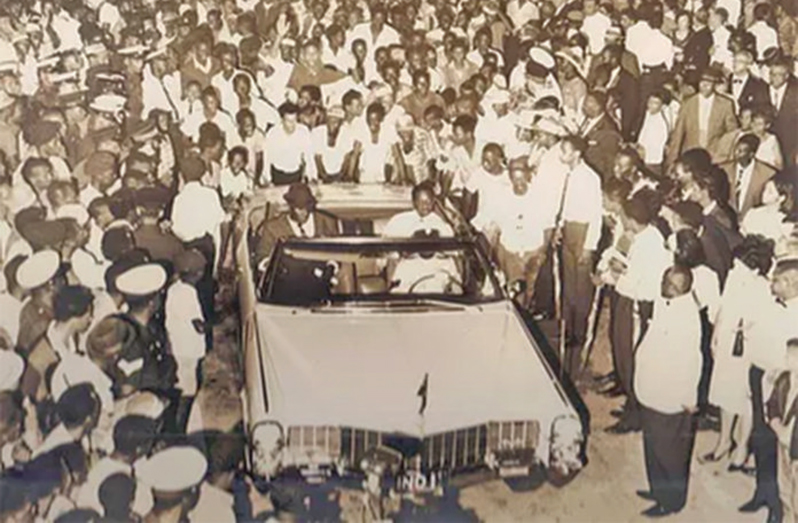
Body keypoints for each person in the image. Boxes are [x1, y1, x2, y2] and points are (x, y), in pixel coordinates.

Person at [635, 265, 702, 517]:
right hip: (652, 390)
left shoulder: (687, 317)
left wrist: (688, 397)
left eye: (667, 281)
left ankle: (672, 501)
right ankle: (658, 490)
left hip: (670, 396)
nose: (662, 283)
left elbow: (692, 361)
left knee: (670, 452)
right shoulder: (666, 302)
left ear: (677, 288)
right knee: (653, 445)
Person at [667, 68, 738, 165]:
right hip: (691, 154)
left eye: (708, 83)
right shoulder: (688, 103)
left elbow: (732, 133)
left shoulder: (726, 104)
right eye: (702, 82)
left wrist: (725, 155)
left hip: (714, 156)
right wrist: (671, 161)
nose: (704, 86)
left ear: (715, 85)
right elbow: (678, 133)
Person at [254, 182, 339, 263]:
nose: (304, 213)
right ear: (290, 207)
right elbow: (262, 257)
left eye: (307, 207)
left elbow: (339, 255)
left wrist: (332, 267)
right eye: (299, 208)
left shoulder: (327, 223)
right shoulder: (273, 229)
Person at [718, 133, 777, 219]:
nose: (736, 153)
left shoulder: (767, 173)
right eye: (736, 149)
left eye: (741, 151)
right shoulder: (723, 170)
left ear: (751, 154)